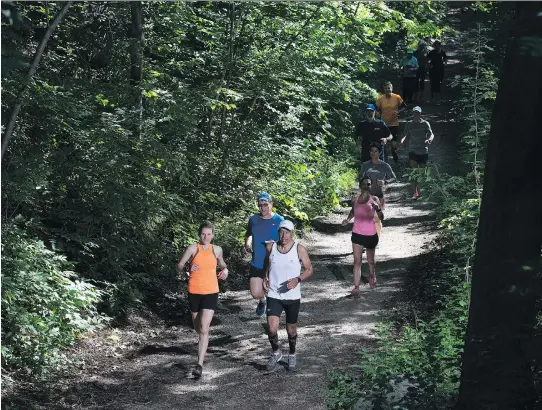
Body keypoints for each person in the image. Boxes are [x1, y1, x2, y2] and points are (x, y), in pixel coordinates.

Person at [176, 221, 229, 379]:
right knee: (198, 327)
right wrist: (186, 268)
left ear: (213, 235)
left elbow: (222, 263)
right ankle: (202, 341)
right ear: (199, 235)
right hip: (194, 291)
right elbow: (179, 265)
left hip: (211, 291)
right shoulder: (193, 248)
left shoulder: (217, 250)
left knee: (204, 328)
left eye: (209, 234)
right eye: (203, 234)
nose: (206, 237)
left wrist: (225, 269)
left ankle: (199, 364)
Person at [263, 219, 313, 372]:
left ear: (292, 233)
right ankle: (276, 352)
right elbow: (267, 262)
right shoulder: (271, 247)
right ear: (278, 232)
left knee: (291, 329)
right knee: (272, 328)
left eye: (287, 232)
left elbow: (309, 269)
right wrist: (265, 277)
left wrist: (297, 280)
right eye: (282, 232)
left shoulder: (299, 249)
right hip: (274, 294)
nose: (284, 235)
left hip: (292, 296)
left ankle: (292, 353)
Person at [244, 192, 284, 316]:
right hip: (257, 261)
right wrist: (247, 244)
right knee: (255, 292)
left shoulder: (279, 220)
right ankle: (263, 300)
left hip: (274, 263)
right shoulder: (253, 219)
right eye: (260, 205)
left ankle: (273, 318)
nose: (263, 208)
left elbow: (286, 240)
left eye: (265, 204)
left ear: (271, 204)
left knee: (274, 291)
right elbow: (248, 234)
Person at [342, 176, 383, 295]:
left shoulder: (374, 199)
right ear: (360, 186)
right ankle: (356, 287)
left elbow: (381, 217)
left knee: (370, 261)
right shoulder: (355, 199)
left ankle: (372, 274)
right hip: (357, 233)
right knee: (357, 261)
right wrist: (347, 219)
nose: (366, 186)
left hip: (370, 234)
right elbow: (353, 211)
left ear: (371, 186)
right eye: (364, 184)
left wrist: (378, 209)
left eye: (369, 184)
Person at [360, 142, 397, 237]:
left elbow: (394, 178)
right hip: (367, 196)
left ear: (379, 153)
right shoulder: (365, 165)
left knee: (376, 219)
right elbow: (359, 178)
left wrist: (385, 182)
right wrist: (364, 181)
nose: (373, 153)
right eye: (371, 151)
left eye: (376, 151)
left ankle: (376, 239)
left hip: (379, 195)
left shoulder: (384, 165)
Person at [401, 106, 434, 199]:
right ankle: (415, 193)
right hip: (413, 150)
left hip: (423, 150)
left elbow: (431, 134)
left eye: (418, 113)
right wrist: (402, 140)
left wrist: (429, 139)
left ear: (420, 114)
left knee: (422, 173)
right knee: (414, 172)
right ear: (413, 114)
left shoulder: (425, 123)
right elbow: (405, 134)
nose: (416, 114)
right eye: (415, 113)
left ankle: (421, 192)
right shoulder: (409, 124)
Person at [376, 81, 407, 163]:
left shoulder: (397, 97)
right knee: (384, 142)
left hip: (394, 123)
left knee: (394, 144)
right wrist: (377, 114)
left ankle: (393, 152)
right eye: (386, 88)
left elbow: (404, 106)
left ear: (392, 88)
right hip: (384, 124)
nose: (387, 90)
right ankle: (384, 158)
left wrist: (398, 112)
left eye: (389, 88)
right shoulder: (380, 99)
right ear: (383, 89)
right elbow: (376, 110)